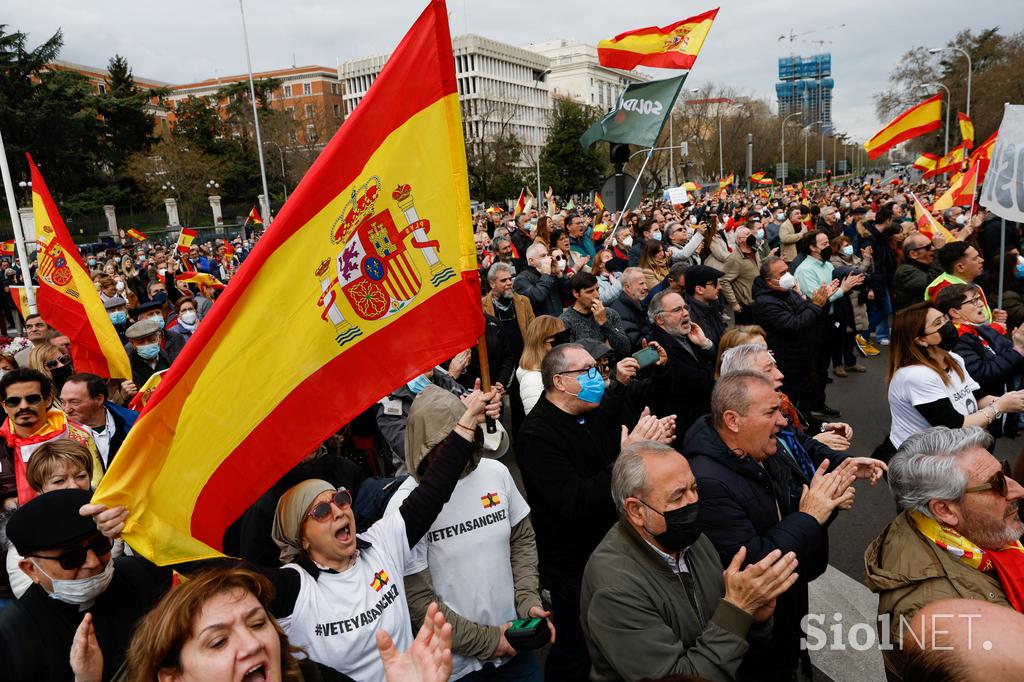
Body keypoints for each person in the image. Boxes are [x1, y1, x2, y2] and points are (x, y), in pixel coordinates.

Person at [683, 372, 877, 680]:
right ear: (733, 420)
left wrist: (827, 501)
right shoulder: (707, 481)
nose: (783, 422)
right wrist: (812, 514)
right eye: (771, 412)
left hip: (788, 610)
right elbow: (759, 563)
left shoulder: (761, 449)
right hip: (756, 637)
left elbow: (798, 510)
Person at [515, 343, 673, 682]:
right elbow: (575, 502)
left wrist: (648, 443)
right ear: (559, 381)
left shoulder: (592, 410)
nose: (597, 377)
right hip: (574, 563)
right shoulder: (536, 434)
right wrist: (625, 459)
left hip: (614, 547)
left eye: (597, 369)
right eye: (587, 371)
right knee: (578, 646)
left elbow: (619, 440)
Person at [581, 441, 799, 682]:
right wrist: (738, 610)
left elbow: (724, 638)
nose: (693, 502)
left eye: (694, 488)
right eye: (678, 496)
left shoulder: (692, 541)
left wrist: (754, 619)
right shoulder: (615, 589)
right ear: (636, 511)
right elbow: (682, 677)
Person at [386, 385, 547, 681]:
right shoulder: (407, 506)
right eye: (443, 442)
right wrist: (488, 641)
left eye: (461, 433)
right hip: (455, 668)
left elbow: (521, 539)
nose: (457, 446)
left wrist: (527, 600)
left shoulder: (495, 472)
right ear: (422, 443)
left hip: (517, 652)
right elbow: (418, 600)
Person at [864, 426, 1024, 678]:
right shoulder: (930, 613)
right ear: (945, 511)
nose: (1017, 490)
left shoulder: (952, 529)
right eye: (997, 484)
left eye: (1004, 471)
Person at [112, 566, 456, 682]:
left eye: (258, 623)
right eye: (218, 642)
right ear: (172, 677)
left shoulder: (316, 678)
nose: (251, 645)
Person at [0, 488, 173, 680]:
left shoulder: (141, 575)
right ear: (31, 569)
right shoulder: (12, 637)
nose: (93, 562)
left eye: (99, 545)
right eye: (71, 557)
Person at [885, 303, 1024, 453]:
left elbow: (978, 397)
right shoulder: (916, 376)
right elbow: (955, 426)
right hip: (920, 461)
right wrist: (1000, 407)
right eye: (938, 323)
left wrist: (1016, 399)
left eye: (944, 318)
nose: (947, 325)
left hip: (951, 451)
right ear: (920, 340)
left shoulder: (953, 358)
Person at [0, 368, 101, 504]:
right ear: (4, 406)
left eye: (32, 399)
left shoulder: (78, 435)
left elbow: (97, 488)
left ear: (48, 400)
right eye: (14, 401)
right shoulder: (1, 443)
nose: (23, 406)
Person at [752, 256, 835, 418]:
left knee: (804, 405)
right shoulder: (765, 303)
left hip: (802, 359)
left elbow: (807, 314)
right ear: (769, 281)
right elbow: (795, 325)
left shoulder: (788, 292)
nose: (788, 276)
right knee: (790, 409)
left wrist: (822, 301)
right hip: (787, 363)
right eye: (782, 274)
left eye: (787, 271)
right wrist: (816, 305)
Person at [646, 290, 716, 441]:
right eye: (677, 310)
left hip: (705, 419)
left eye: (685, 308)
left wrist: (706, 345)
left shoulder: (691, 335)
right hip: (685, 431)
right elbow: (693, 382)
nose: (685, 313)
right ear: (660, 319)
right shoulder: (655, 348)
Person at [59, 373, 138, 473]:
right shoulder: (59, 435)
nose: (66, 409)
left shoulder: (135, 423)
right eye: (62, 402)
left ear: (99, 399)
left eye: (74, 402)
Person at [559, 272, 630, 360]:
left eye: (597, 289)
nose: (597, 295)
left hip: (615, 370)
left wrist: (604, 323)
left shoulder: (610, 314)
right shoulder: (565, 321)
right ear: (576, 293)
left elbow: (625, 350)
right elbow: (571, 359)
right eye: (590, 291)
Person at [482, 263, 535, 365]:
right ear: (492, 284)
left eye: (510, 279)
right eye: (503, 280)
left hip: (524, 361)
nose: (509, 283)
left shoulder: (524, 302)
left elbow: (533, 331)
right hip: (499, 366)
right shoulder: (482, 306)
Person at [926, 242, 992, 322]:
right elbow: (957, 327)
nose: (981, 260)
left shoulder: (965, 283)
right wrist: (994, 328)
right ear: (960, 267)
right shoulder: (945, 291)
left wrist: (992, 319)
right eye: (975, 258)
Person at [515, 316, 566, 417]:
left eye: (566, 335)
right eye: (558, 339)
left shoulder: (554, 368)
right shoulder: (532, 379)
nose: (565, 342)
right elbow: (539, 420)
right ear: (540, 344)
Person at [513, 243, 569, 317]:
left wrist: (559, 274)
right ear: (532, 261)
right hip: (541, 325)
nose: (548, 258)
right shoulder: (522, 279)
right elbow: (537, 297)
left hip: (559, 322)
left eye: (547, 255)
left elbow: (570, 294)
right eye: (543, 256)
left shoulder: (551, 273)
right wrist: (546, 275)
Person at [720, 227, 761, 325]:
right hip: (745, 306)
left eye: (750, 233)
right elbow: (723, 280)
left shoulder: (754, 251)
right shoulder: (734, 258)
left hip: (758, 301)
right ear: (739, 239)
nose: (751, 236)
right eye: (747, 234)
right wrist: (734, 303)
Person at [683, 264, 727, 348]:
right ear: (699, 289)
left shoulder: (713, 306)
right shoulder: (689, 317)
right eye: (714, 283)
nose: (719, 287)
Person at [893, 233, 939, 311]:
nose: (933, 248)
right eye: (928, 247)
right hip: (916, 317)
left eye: (932, 244)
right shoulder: (905, 272)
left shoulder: (928, 264)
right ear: (913, 254)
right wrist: (939, 251)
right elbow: (932, 283)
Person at [125, 317, 173, 389]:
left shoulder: (171, 359)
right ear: (132, 344)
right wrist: (123, 395)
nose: (146, 344)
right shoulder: (126, 367)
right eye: (141, 342)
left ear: (159, 338)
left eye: (151, 340)